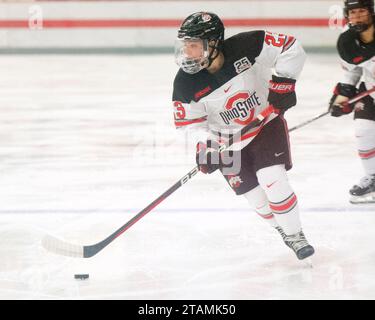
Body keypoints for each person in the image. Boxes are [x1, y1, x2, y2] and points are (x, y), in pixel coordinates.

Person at [172, 12, 314, 260]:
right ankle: (282, 229)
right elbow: (190, 123)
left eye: (193, 45)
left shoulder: (247, 46)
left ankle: (296, 234)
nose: (187, 52)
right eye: (185, 45)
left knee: (272, 179)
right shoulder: (185, 83)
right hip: (225, 142)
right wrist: (205, 145)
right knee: (256, 199)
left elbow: (291, 47)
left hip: (264, 124)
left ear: (213, 43)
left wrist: (284, 83)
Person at [329, 0, 375, 204]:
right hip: (371, 91)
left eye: (362, 11)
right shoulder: (347, 41)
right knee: (363, 130)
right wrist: (344, 95)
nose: (356, 16)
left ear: (371, 12)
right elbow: (352, 71)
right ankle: (373, 178)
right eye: (352, 12)